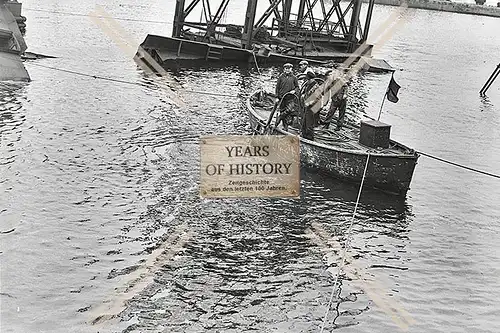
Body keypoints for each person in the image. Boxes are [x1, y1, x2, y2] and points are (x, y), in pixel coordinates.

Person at [275, 63, 299, 130]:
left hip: (290, 98)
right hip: (282, 97)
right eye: (286, 68)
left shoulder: (294, 78)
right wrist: (277, 97)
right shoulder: (281, 77)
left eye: (289, 68)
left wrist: (294, 91)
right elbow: (277, 88)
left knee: (288, 111)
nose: (287, 70)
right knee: (282, 110)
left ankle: (280, 117)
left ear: (291, 69)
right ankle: (285, 127)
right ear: (284, 69)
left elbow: (297, 87)